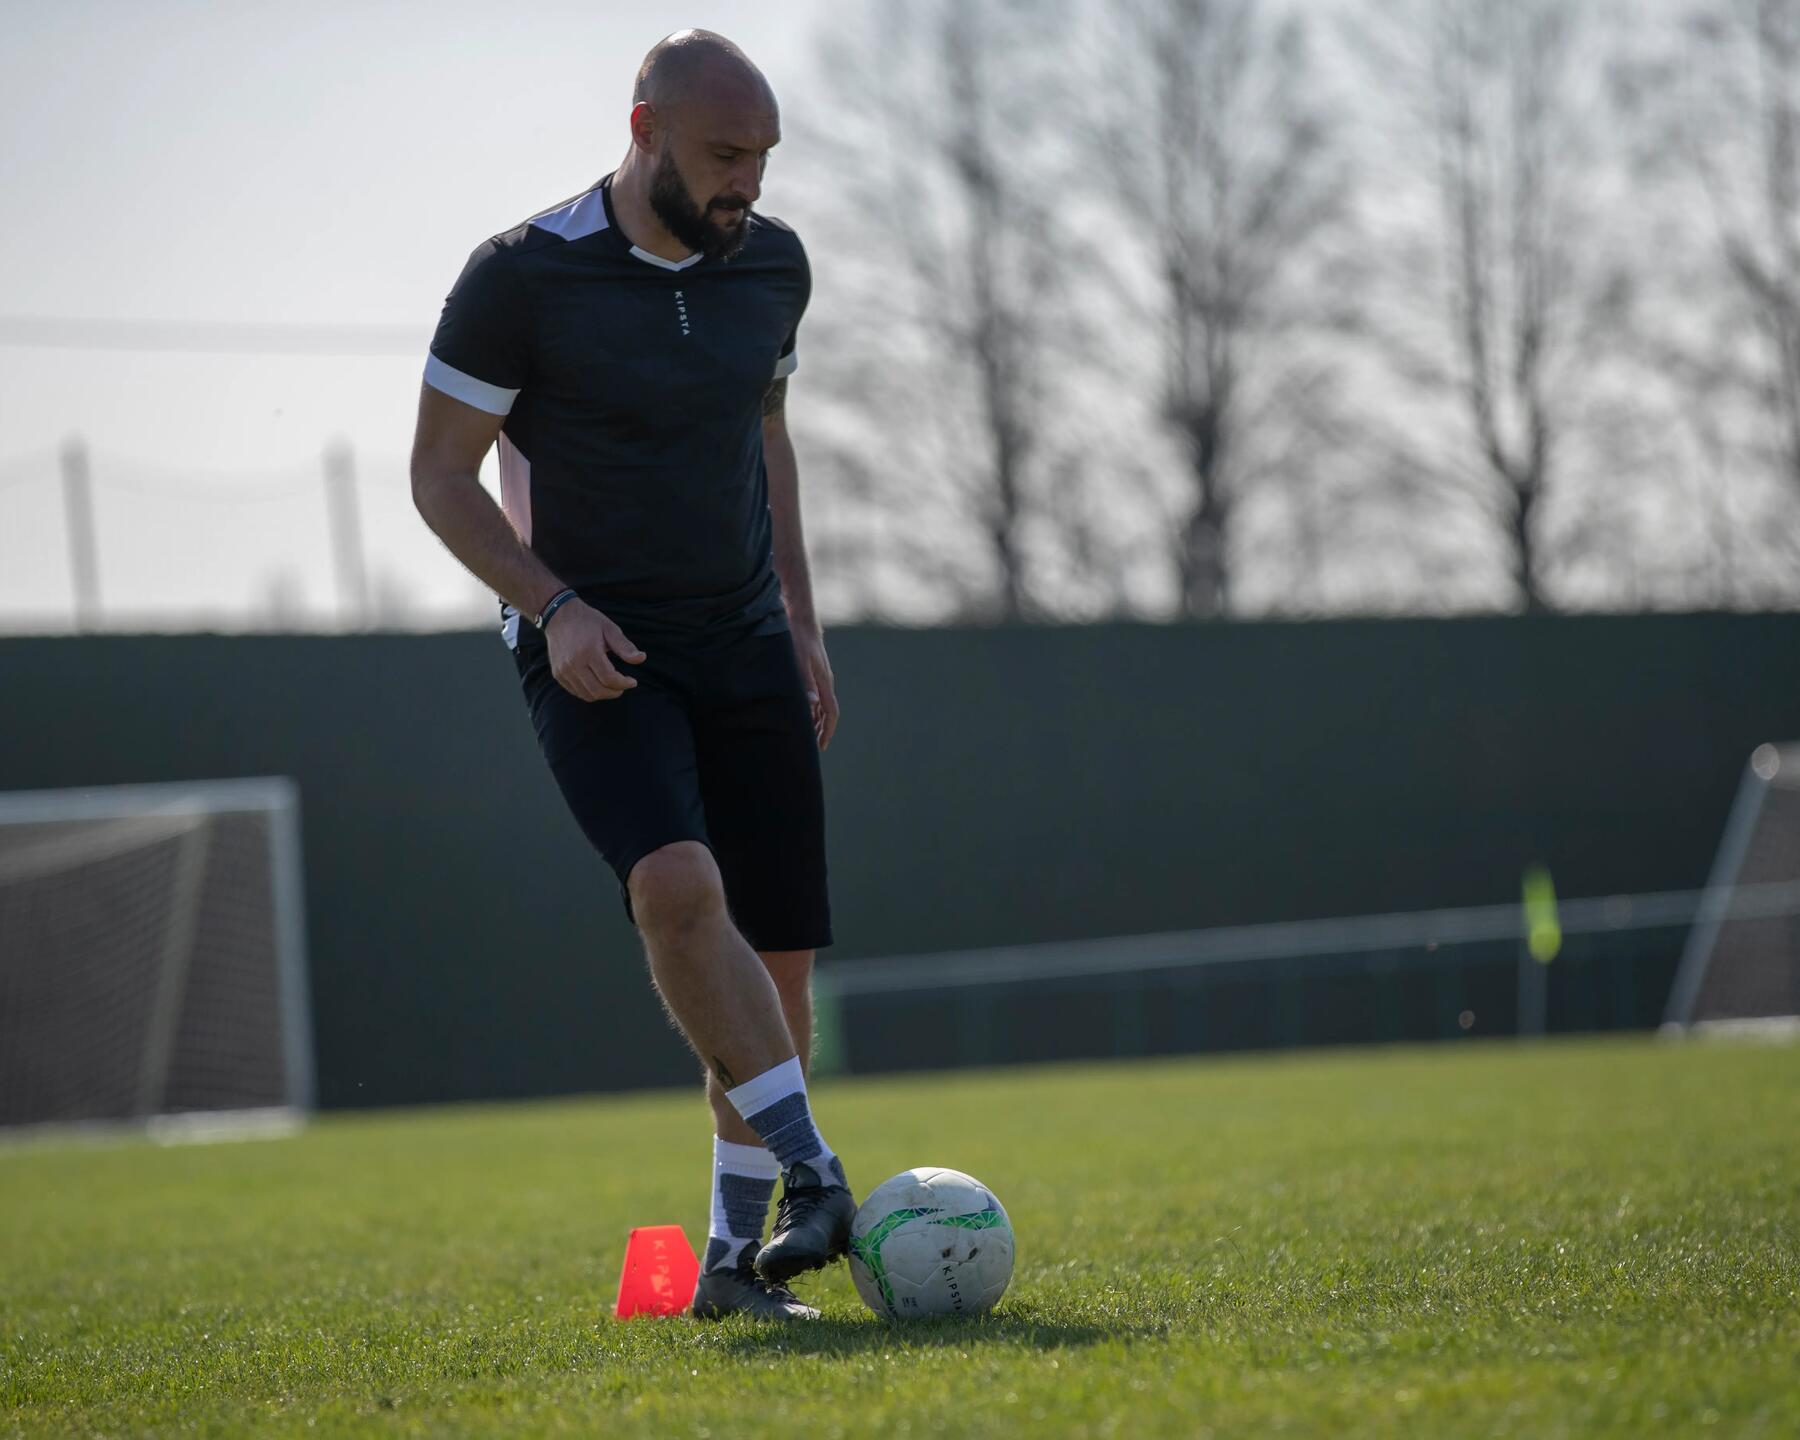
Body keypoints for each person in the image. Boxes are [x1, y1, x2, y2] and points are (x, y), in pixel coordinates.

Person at [409, 29, 851, 1322]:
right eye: (724, 156)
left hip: (747, 638)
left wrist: (806, 625)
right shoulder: (519, 278)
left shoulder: (772, 267)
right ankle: (817, 1176)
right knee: (674, 885)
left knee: (775, 965)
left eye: (763, 160)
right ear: (645, 126)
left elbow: (768, 438)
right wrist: (553, 608)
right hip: (593, 642)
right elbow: (440, 478)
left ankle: (730, 1264)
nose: (746, 187)